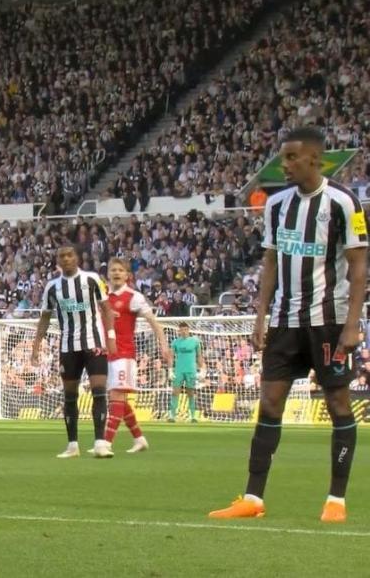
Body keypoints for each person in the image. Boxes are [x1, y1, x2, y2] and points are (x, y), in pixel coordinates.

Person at [210, 127, 367, 523]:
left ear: (314, 160)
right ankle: (253, 497)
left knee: (337, 403)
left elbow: (359, 266)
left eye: (291, 158)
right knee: (270, 402)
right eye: (283, 158)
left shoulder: (343, 203)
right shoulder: (277, 205)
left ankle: (336, 501)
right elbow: (269, 264)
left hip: (329, 322)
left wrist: (352, 325)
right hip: (284, 321)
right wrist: (260, 316)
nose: (284, 165)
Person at [31, 245, 117, 459]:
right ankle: (72, 445)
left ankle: (100, 443)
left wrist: (111, 337)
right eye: (62, 256)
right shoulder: (52, 287)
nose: (66, 259)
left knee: (99, 391)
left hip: (94, 343)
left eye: (70, 255)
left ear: (77, 258)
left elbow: (106, 309)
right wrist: (35, 346)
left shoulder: (92, 279)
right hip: (68, 347)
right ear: (58, 261)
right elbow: (44, 317)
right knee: (70, 396)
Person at [103, 257, 171, 455]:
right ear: (108, 273)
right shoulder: (103, 297)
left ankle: (105, 443)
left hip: (124, 354)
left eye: (120, 270)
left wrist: (164, 345)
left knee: (116, 396)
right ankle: (139, 439)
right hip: (108, 354)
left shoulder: (133, 297)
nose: (116, 273)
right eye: (113, 270)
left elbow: (153, 321)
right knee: (118, 400)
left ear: (127, 275)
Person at [168, 322, 204, 422]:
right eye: (181, 330)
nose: (183, 331)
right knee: (175, 392)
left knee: (191, 393)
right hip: (179, 370)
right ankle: (172, 416)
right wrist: (170, 370)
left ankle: (192, 416)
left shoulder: (195, 341)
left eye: (185, 329)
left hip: (191, 370)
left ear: (188, 330)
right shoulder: (175, 342)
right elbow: (171, 356)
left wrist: (202, 369)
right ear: (179, 331)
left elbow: (199, 356)